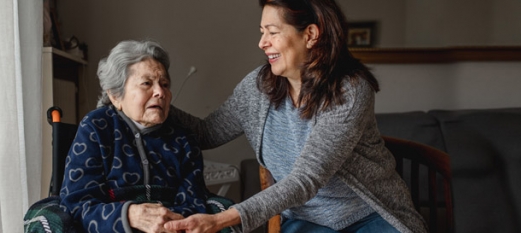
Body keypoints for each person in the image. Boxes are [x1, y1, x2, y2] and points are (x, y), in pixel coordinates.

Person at [164, 0, 427, 232]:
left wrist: (221, 220)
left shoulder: (350, 90)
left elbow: (306, 180)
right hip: (307, 221)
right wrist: (155, 101)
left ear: (310, 34)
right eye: (262, 32)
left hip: (369, 215)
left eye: (273, 32)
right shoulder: (257, 88)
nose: (262, 42)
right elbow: (205, 133)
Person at [59, 40, 237, 233]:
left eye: (165, 84)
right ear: (115, 96)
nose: (160, 92)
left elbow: (193, 201)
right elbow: (78, 202)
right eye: (146, 83)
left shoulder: (182, 137)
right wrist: (128, 215)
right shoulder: (96, 128)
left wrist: (166, 224)